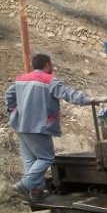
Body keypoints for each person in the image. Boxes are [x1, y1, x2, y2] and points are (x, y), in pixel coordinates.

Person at [5, 54, 95, 202]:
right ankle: (26, 184)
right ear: (47, 65)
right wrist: (88, 100)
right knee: (46, 157)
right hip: (38, 126)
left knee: (30, 161)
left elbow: (9, 95)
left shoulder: (20, 79)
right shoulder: (49, 81)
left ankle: (36, 192)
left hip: (20, 125)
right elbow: (68, 94)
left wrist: (13, 109)